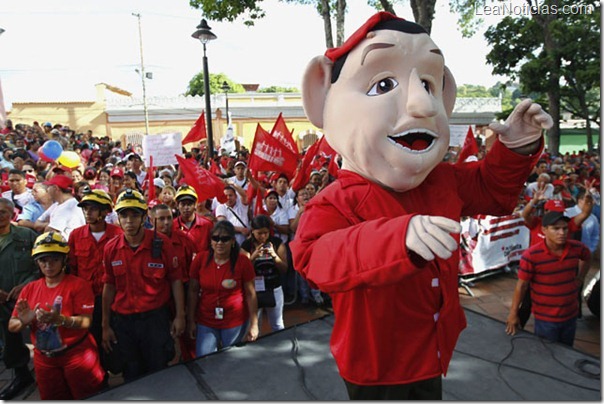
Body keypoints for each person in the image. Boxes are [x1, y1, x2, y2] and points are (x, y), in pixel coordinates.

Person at [290, 12, 552, 400]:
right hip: (377, 367)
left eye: (428, 84)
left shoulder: (442, 179)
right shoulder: (335, 201)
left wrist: (515, 148)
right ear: (323, 96)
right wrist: (396, 239)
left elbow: (492, 191)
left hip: (434, 349)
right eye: (383, 84)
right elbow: (313, 257)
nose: (422, 104)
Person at [101, 188, 185, 382]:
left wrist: (180, 315)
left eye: (134, 215)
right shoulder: (111, 249)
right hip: (124, 323)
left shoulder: (162, 244)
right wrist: (105, 325)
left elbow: (175, 280)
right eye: (124, 215)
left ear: (144, 217)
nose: (129, 221)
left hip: (154, 321)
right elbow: (109, 287)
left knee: (158, 371)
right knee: (132, 373)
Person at [8, 231, 105, 399]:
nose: (48, 265)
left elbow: (86, 321)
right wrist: (25, 321)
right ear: (37, 262)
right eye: (43, 260)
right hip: (44, 360)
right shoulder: (30, 289)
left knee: (89, 397)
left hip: (76, 356)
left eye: (54, 259)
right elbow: (12, 325)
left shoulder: (78, 286)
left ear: (64, 260)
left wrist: (61, 320)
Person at [505, 211, 591, 346]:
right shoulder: (532, 255)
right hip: (546, 319)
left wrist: (580, 278)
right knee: (547, 354)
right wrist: (513, 313)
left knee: (567, 352)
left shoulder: (577, 248)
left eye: (565, 228)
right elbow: (522, 286)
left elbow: (587, 257)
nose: (562, 233)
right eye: (556, 229)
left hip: (570, 316)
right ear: (544, 230)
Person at [68, 188, 122, 370]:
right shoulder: (76, 235)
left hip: (112, 299)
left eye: (92, 208)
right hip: (86, 301)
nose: (88, 213)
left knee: (113, 341)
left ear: (105, 211)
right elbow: (73, 268)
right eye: (85, 209)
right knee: (90, 341)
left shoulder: (118, 235)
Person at [187, 220, 258, 357]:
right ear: (211, 241)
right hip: (206, 320)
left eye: (225, 239)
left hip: (234, 321)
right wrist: (190, 320)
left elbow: (251, 294)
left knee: (232, 361)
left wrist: (254, 324)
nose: (220, 242)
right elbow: (193, 291)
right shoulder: (200, 259)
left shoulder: (243, 262)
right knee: (204, 359)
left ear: (232, 241)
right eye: (216, 238)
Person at [149, 203, 197, 361]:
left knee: (187, 335)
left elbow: (192, 272)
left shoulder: (185, 240)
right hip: (157, 299)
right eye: (161, 219)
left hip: (182, 292)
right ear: (151, 219)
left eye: (169, 218)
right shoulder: (146, 241)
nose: (166, 222)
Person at [0, 198, 38, 400]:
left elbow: (41, 264)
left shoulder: (26, 236)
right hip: (2, 301)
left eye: (3, 212)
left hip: (28, 296)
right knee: (8, 338)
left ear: (11, 214)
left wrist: (25, 285)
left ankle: (32, 371)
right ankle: (20, 372)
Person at [241, 215, 288, 332]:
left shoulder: (277, 243)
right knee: (255, 323)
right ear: (253, 231)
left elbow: (284, 269)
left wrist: (274, 256)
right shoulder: (247, 245)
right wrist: (253, 257)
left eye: (266, 233)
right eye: (259, 233)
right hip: (254, 289)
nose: (263, 236)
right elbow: (242, 271)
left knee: (277, 323)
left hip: (274, 287)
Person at [38, 175, 85, 240]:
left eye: (49, 187)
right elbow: (37, 224)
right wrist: (49, 224)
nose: (47, 190)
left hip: (68, 247)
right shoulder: (58, 204)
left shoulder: (68, 207)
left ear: (55, 188)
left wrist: (48, 224)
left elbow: (48, 232)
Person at [172, 185, 213, 253]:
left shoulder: (207, 225)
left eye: (189, 204)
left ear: (195, 205)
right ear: (177, 206)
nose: (186, 207)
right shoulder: (172, 226)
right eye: (183, 204)